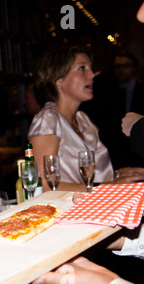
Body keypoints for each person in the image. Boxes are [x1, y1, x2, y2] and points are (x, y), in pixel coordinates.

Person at [28, 45, 144, 192]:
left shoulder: (82, 119)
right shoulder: (47, 120)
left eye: (91, 68)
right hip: (69, 211)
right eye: (82, 69)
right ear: (59, 79)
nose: (92, 74)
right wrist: (108, 187)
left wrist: (120, 174)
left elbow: (88, 178)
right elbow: (44, 185)